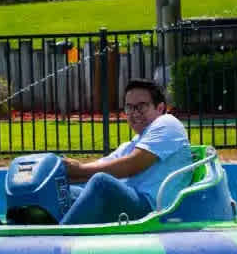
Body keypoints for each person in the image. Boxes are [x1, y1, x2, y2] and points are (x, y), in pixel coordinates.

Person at [57, 79, 193, 225]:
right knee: (62, 192)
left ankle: (59, 240)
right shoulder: (134, 143)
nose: (134, 113)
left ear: (160, 108)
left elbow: (132, 165)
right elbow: (100, 166)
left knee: (101, 182)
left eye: (141, 106)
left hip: (151, 209)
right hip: (132, 199)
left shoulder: (168, 124)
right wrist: (65, 173)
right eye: (129, 107)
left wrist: (79, 169)